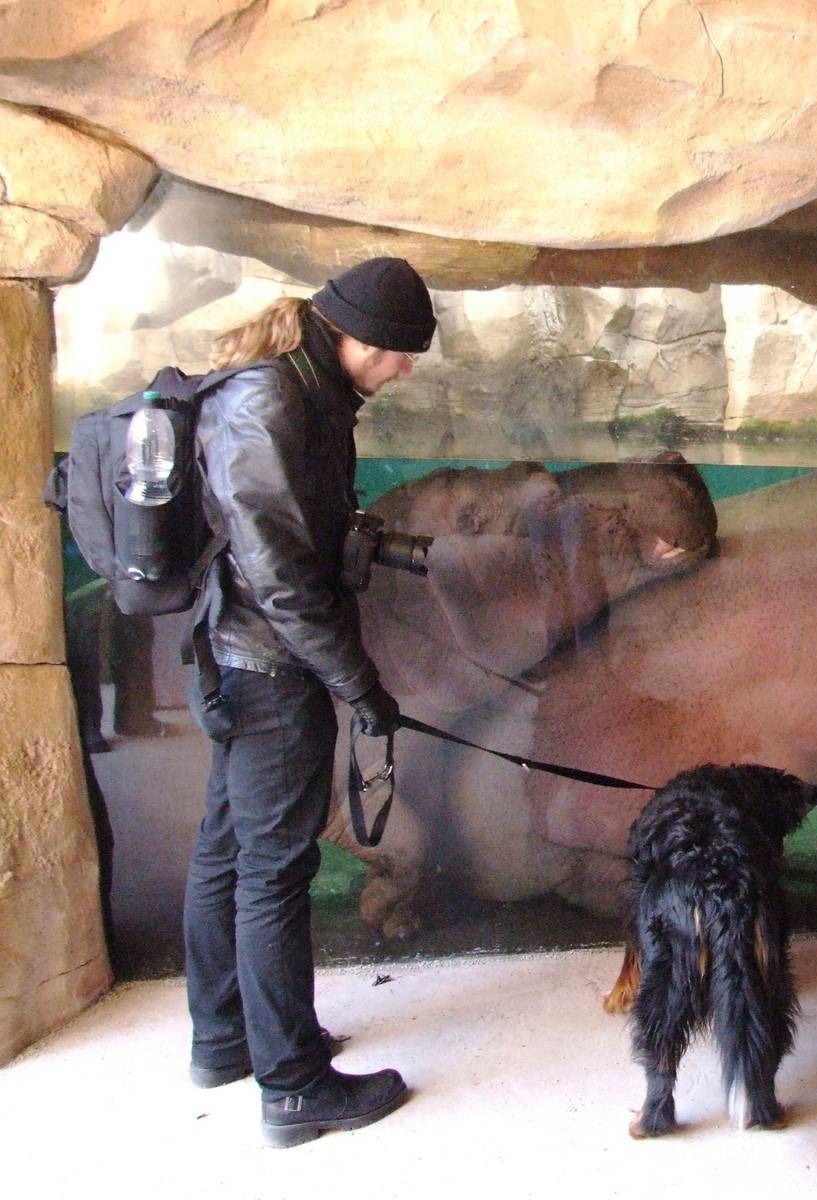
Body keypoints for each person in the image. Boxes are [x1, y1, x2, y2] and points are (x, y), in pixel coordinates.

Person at [182, 257, 432, 1147]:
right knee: (273, 872)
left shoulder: (302, 393)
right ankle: (292, 1087)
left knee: (229, 849)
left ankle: (225, 1041)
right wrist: (357, 685)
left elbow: (289, 544)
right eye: (401, 354)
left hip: (247, 660)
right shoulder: (271, 403)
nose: (405, 370)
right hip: (270, 671)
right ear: (356, 337)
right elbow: (283, 584)